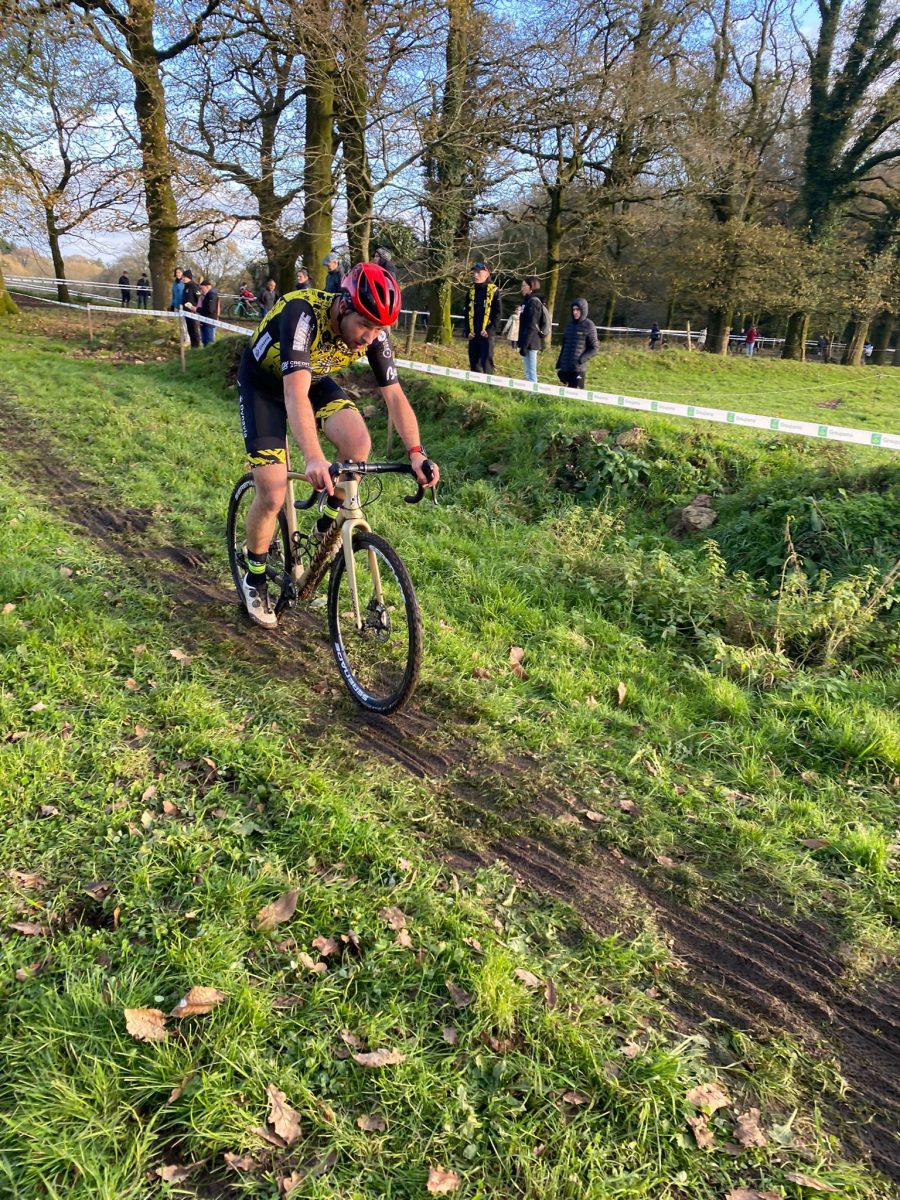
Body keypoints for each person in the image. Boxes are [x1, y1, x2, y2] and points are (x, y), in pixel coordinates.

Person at [236, 263, 440, 628]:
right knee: (272, 491)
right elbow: (293, 393)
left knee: (358, 444)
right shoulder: (302, 313)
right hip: (264, 386)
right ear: (343, 305)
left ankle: (325, 527)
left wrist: (416, 452)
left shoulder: (375, 335)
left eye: (379, 329)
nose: (369, 337)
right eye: (364, 324)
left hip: (312, 380)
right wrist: (314, 457)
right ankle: (254, 576)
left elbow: (394, 395)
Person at [464, 261, 502, 374]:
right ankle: (475, 384)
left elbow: (498, 313)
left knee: (486, 362)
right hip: (473, 334)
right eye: (474, 272)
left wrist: (490, 329)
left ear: (487, 274)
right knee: (474, 362)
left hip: (486, 334)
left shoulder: (494, 290)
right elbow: (466, 312)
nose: (475, 275)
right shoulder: (471, 291)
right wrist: (467, 330)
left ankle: (488, 383)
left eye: (479, 272)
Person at [555, 299, 598, 388]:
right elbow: (564, 346)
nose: (575, 312)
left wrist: (581, 360)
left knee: (576, 393)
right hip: (565, 368)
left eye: (577, 309)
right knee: (564, 394)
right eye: (573, 309)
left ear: (583, 310)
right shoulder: (569, 325)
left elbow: (594, 348)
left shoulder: (589, 325)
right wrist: (559, 364)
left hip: (578, 370)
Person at [517, 276, 545, 383]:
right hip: (526, 341)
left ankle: (533, 391)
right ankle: (530, 390)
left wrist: (525, 344)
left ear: (531, 287)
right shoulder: (526, 302)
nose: (522, 288)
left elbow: (532, 325)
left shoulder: (534, 302)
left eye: (524, 286)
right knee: (527, 371)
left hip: (531, 342)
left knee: (531, 372)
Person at [180, 269, 201, 348]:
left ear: (189, 277)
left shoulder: (194, 286)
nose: (183, 278)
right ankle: (193, 346)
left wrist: (196, 308)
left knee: (194, 330)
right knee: (190, 330)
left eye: (184, 277)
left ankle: (196, 347)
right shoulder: (186, 286)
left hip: (192, 312)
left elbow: (199, 299)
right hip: (186, 312)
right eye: (182, 277)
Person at [197, 278, 220, 345]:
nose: (201, 290)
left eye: (202, 288)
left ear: (207, 287)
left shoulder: (212, 295)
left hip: (209, 323)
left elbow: (210, 310)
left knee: (209, 343)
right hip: (204, 322)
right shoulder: (206, 295)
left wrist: (197, 309)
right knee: (204, 341)